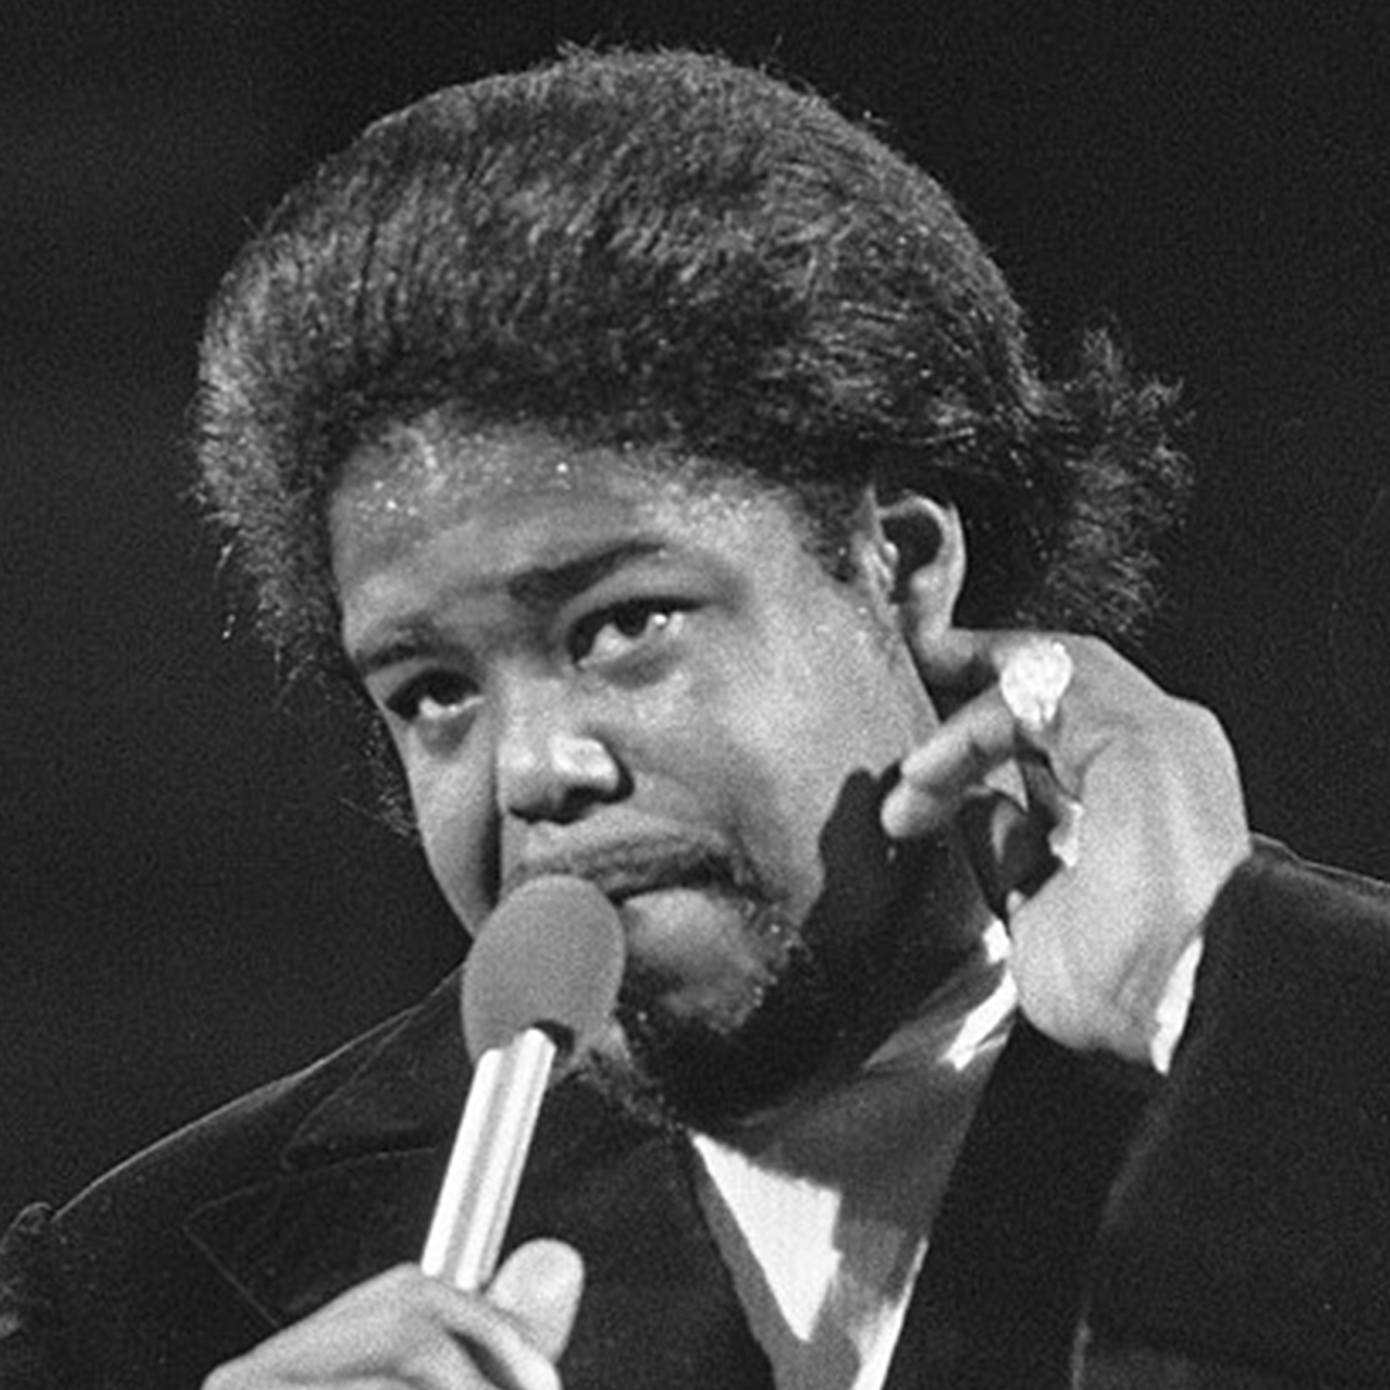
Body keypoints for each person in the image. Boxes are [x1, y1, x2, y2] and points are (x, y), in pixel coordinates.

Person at [2, 46, 1388, 1390]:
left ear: (899, 565)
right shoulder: (139, 1295)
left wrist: (1204, 1002)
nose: (532, 767)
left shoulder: (1329, 1062)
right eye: (433, 692)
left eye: (623, 624)